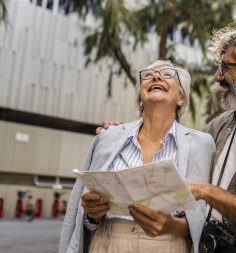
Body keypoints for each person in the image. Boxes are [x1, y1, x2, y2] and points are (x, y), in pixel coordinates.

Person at [99, 26, 236, 253]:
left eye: (227, 67)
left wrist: (207, 191)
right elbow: (180, 152)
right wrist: (123, 134)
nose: (218, 76)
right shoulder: (219, 125)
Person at [59, 60, 215, 253]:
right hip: (107, 243)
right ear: (140, 98)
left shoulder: (202, 144)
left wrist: (172, 225)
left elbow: (205, 216)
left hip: (168, 244)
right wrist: (92, 215)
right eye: (148, 75)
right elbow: (79, 209)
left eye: (167, 74)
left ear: (181, 98)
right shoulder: (108, 136)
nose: (156, 77)